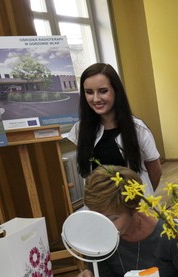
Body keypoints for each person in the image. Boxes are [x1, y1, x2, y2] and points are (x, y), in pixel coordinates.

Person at [70, 166, 178, 277]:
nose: (104, 225)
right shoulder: (100, 234)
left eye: (112, 218)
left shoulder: (170, 235)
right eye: (97, 217)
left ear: (134, 209)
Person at [66, 63, 162, 194]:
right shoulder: (80, 129)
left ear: (116, 90)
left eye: (103, 91)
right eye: (89, 92)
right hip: (98, 207)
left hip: (133, 208)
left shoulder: (138, 129)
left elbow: (155, 172)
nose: (96, 99)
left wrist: (140, 199)